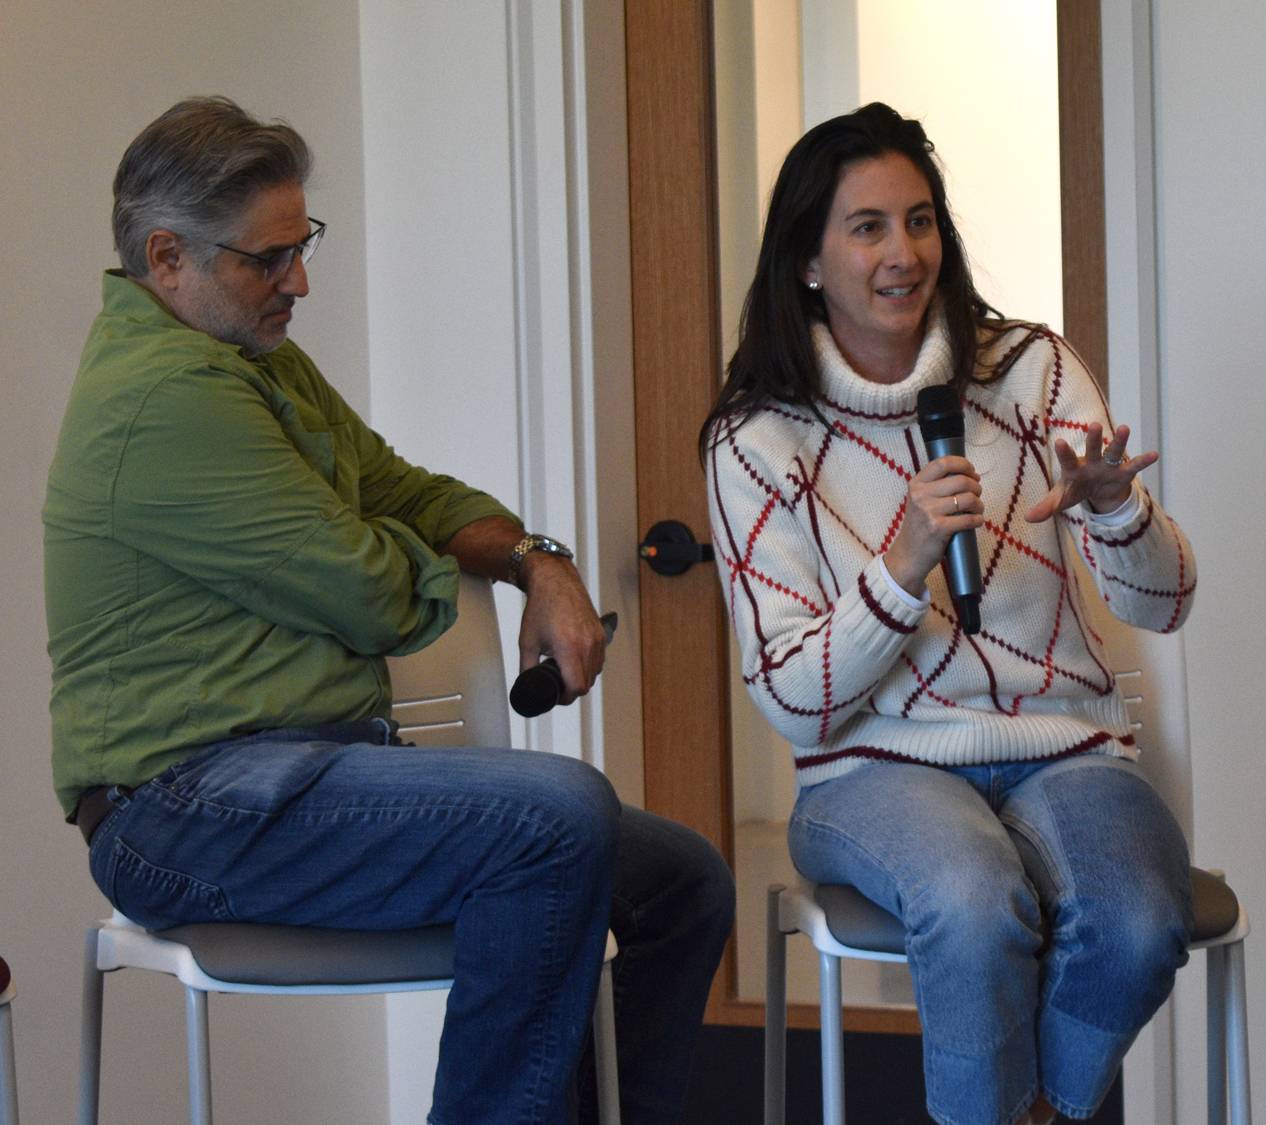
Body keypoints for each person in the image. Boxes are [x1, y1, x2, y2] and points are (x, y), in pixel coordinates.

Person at [43, 96, 732, 1124]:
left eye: (303, 245)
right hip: (182, 811)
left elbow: (408, 493)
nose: (299, 281)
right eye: (268, 259)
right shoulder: (165, 397)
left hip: (301, 777)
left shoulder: (259, 363)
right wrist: (390, 545)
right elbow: (373, 595)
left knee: (681, 882)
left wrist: (539, 563)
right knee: (553, 819)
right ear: (167, 257)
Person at [701, 103, 1197, 1125]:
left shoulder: (1027, 371)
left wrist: (1116, 510)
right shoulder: (757, 437)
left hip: (1063, 748)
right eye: (868, 227)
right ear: (807, 261)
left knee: (1139, 919)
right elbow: (794, 701)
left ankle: (1033, 1113)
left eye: (920, 220)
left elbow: (1166, 601)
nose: (904, 253)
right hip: (870, 769)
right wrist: (900, 567)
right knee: (974, 903)